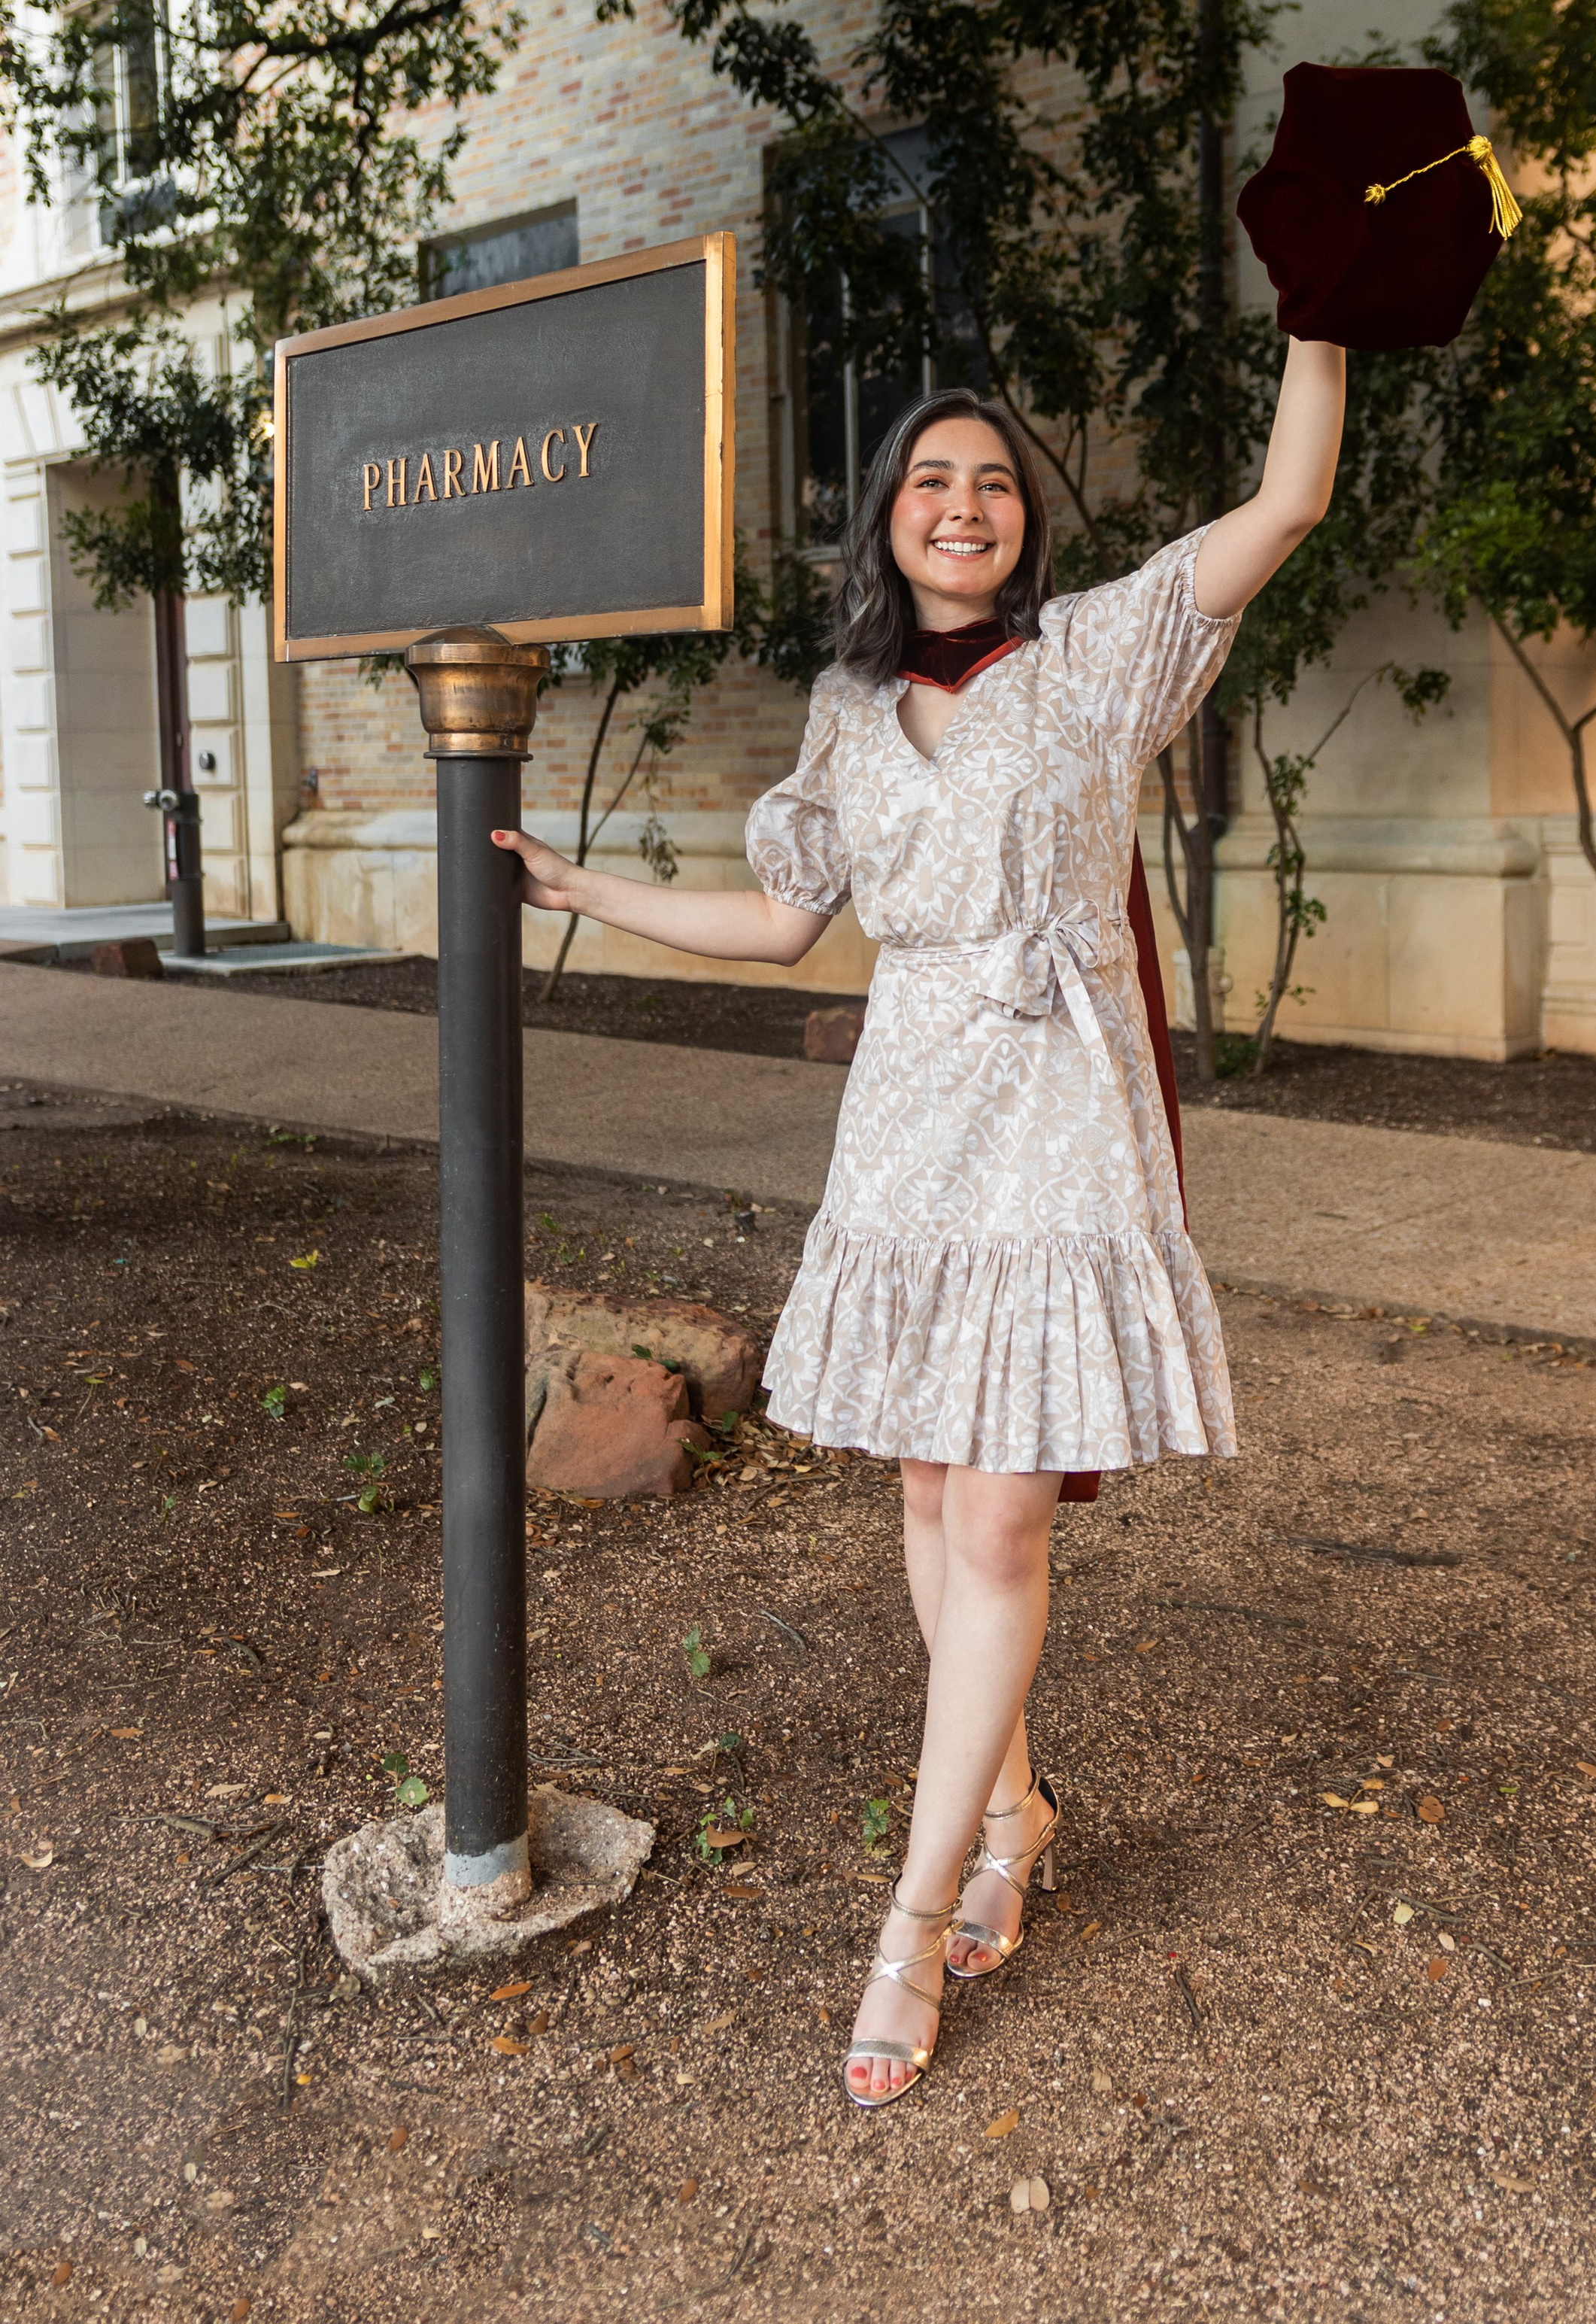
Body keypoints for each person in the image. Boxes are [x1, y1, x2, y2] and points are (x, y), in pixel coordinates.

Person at [491, 339, 1346, 2108]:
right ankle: (1013, 1810)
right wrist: (593, 891)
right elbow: (789, 922)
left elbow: (1286, 502)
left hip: (1054, 1120)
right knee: (925, 1489)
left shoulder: (1096, 654)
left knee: (1007, 1515)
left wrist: (1316, 320)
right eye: (927, 482)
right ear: (883, 521)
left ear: (1022, 522)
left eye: (992, 483)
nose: (960, 506)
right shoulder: (842, 712)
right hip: (905, 1127)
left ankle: (910, 1906)